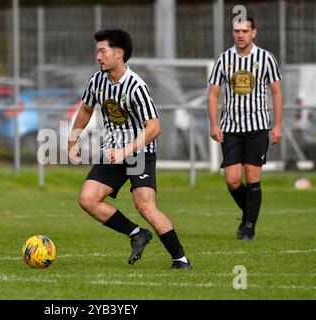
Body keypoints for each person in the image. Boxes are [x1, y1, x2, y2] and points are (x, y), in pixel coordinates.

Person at [68, 29, 191, 270]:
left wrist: (126, 151)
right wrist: (73, 141)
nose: (98, 56)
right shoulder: (97, 81)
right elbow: (85, 110)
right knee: (87, 198)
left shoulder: (136, 86)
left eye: (102, 51)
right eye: (97, 52)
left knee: (144, 204)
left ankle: (180, 259)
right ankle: (137, 234)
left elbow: (155, 127)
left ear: (119, 53)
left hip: (140, 151)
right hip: (112, 152)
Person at [207, 16, 283, 240]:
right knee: (232, 179)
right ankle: (249, 213)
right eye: (236, 31)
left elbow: (277, 92)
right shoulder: (224, 59)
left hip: (258, 126)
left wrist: (277, 125)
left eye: (244, 31)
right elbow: (213, 94)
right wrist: (213, 124)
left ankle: (248, 227)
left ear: (254, 33)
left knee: (252, 176)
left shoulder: (266, 58)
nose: (240, 35)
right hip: (230, 127)